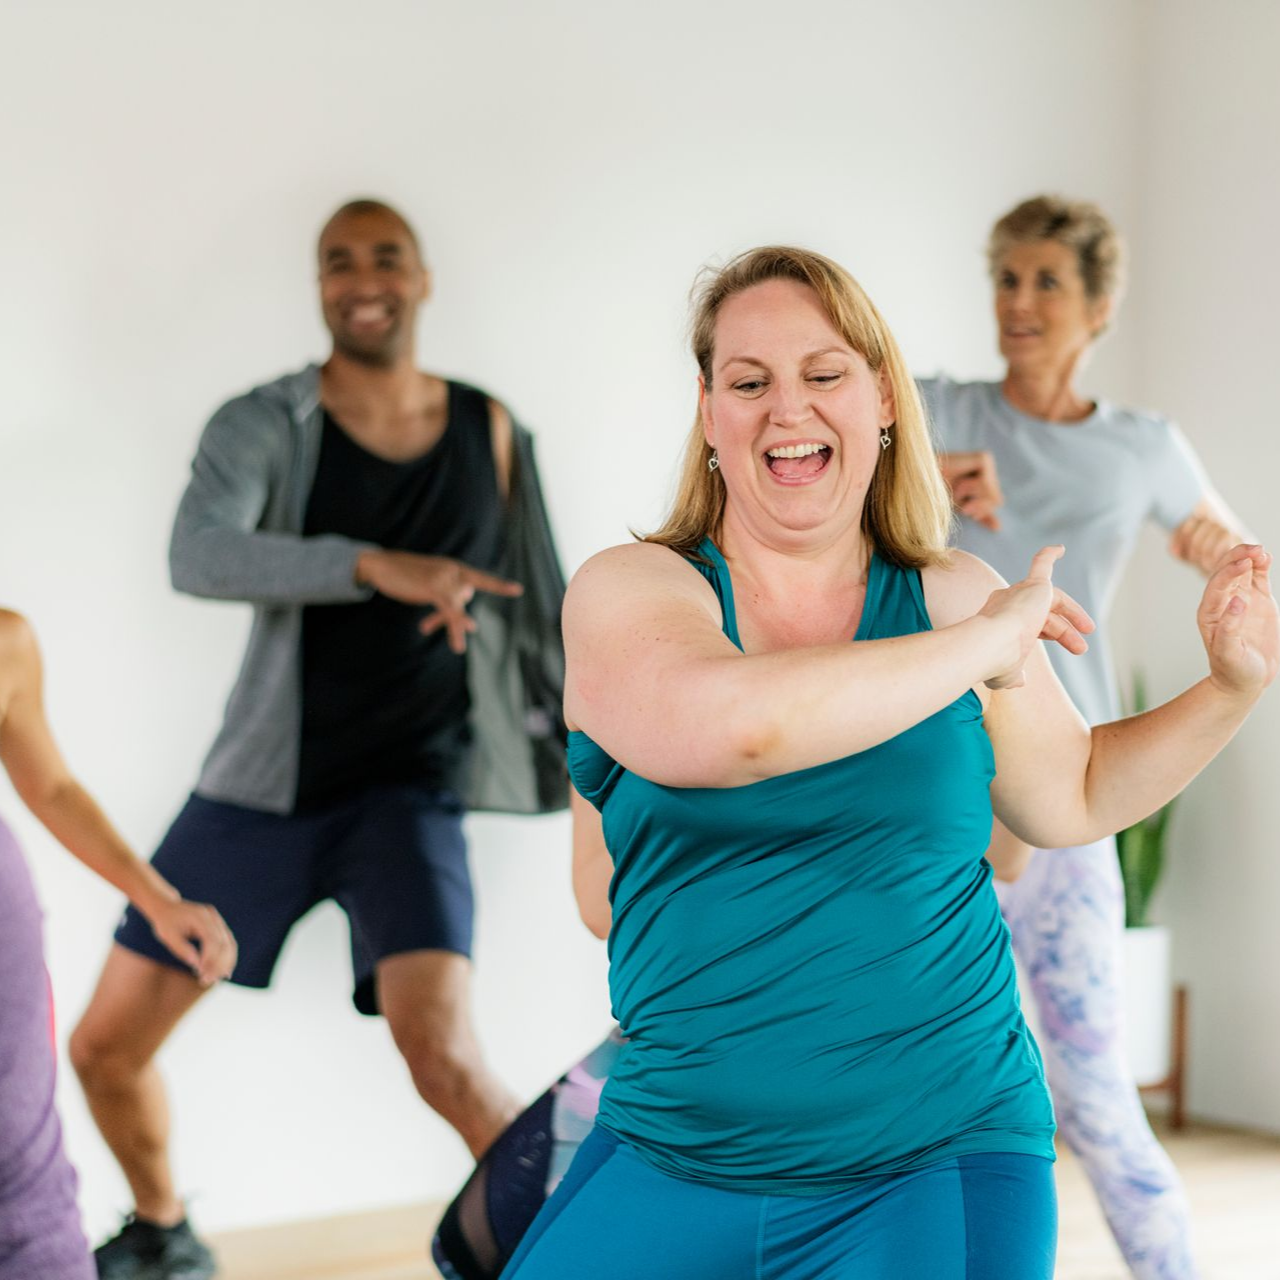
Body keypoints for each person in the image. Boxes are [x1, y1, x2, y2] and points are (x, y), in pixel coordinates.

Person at [496, 245, 1275, 1279]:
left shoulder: (953, 593)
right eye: (748, 381)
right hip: (673, 1143)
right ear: (708, 411)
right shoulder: (630, 591)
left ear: (882, 402)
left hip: (931, 1155)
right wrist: (984, 645)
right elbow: (731, 730)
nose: (787, 408)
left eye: (824, 374)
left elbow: (1076, 789)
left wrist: (1228, 686)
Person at [69, 199, 569, 1280]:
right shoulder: (266, 423)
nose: (361, 278)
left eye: (383, 256)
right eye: (336, 261)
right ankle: (164, 1232)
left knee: (442, 1052)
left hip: (412, 791)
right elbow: (199, 555)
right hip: (263, 791)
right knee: (103, 1048)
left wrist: (602, 766)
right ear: (318, 285)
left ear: (423, 276)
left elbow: (546, 609)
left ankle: (577, 1250)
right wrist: (372, 563)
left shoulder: (489, 428)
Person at [924, 194, 1253, 1280]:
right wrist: (925, 477)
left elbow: (1231, 550)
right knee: (921, 1085)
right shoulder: (933, 407)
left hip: (1066, 789)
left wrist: (1217, 549)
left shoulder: (1139, 446)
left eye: (1044, 282)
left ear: (1097, 305)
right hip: (933, 792)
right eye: (1004, 279)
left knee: (1095, 1095)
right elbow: (812, 485)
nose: (1017, 304)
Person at [0, 610, 236, 1280]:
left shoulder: (5, 642)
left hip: (4, 936)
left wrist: (157, 899)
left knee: (20, 1177)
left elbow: (51, 785)